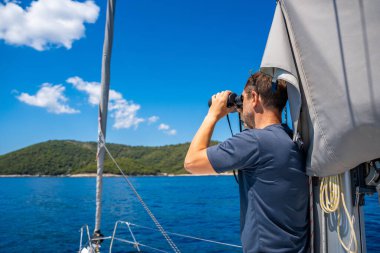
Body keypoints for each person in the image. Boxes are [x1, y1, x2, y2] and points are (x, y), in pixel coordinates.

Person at [184, 71, 309, 252]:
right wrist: (246, 112)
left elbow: (191, 163)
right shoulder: (290, 139)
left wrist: (212, 115)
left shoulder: (255, 142)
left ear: (255, 98)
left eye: (243, 99)